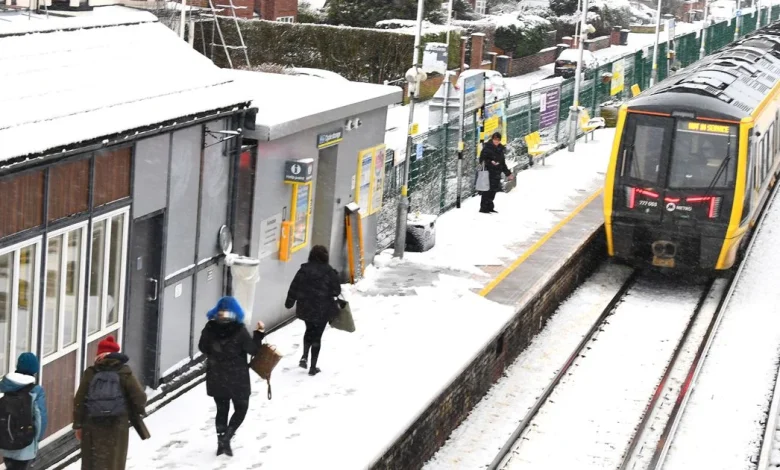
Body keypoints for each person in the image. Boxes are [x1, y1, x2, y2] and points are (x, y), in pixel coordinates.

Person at [198, 296, 265, 457]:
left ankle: (221, 439)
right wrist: (258, 334)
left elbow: (202, 347)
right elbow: (254, 350)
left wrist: (215, 354)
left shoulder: (209, 328)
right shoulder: (239, 330)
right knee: (241, 408)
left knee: (222, 410)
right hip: (237, 377)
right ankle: (227, 436)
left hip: (216, 375)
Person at [73, 335, 147, 470]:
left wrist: (78, 425)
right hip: (117, 426)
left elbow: (79, 401)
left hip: (92, 426)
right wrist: (137, 410)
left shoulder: (91, 373)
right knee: (114, 462)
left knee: (92, 463)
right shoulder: (124, 372)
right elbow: (140, 397)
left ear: (99, 356)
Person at [285, 245, 341, 376]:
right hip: (323, 309)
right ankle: (313, 367)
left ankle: (304, 356)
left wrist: (290, 302)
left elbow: (294, 286)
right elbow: (336, 291)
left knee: (309, 330)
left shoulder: (304, 270)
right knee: (317, 336)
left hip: (306, 307)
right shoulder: (329, 272)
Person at [0, 353, 47, 470]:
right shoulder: (35, 391)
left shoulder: (6, 386)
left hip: (6, 441)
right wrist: (37, 439)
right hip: (26, 444)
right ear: (35, 370)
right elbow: (40, 418)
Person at [479, 132, 514, 214]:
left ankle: (490, 207)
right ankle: (483, 208)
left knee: (493, 190)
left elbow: (503, 163)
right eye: (495, 139)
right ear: (492, 139)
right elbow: (482, 160)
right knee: (487, 190)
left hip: (497, 172)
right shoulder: (487, 148)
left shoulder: (500, 149)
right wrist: (491, 162)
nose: (496, 141)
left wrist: (508, 174)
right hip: (488, 172)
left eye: (498, 140)